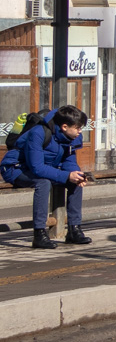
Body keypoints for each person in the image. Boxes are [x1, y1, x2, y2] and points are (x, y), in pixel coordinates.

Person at [0, 105, 91, 249]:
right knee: (43, 183)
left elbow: (69, 161)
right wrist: (67, 175)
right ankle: (39, 234)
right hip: (16, 168)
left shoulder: (72, 137)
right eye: (78, 128)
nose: (80, 131)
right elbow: (36, 167)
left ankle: (74, 229)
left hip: (43, 168)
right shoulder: (38, 133)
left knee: (75, 181)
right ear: (65, 127)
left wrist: (76, 174)